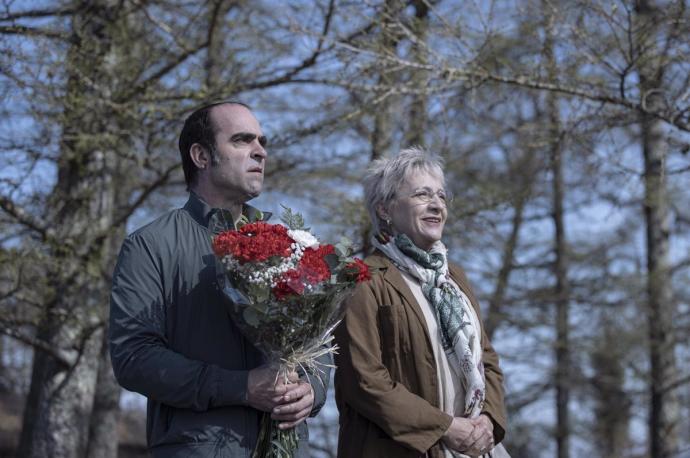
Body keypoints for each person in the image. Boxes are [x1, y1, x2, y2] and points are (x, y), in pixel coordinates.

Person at [109, 101, 328, 458]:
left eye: (262, 142)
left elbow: (317, 341)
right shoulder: (150, 245)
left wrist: (312, 390)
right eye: (242, 140)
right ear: (201, 156)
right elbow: (133, 358)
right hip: (200, 448)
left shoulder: (288, 245)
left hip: (288, 448)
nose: (260, 151)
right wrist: (240, 387)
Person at [334, 148, 509, 458]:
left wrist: (488, 420)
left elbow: (488, 359)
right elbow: (363, 380)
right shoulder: (362, 279)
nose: (437, 205)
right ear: (385, 209)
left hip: (474, 449)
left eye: (441, 196)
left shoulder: (454, 278)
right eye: (422, 195)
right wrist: (444, 428)